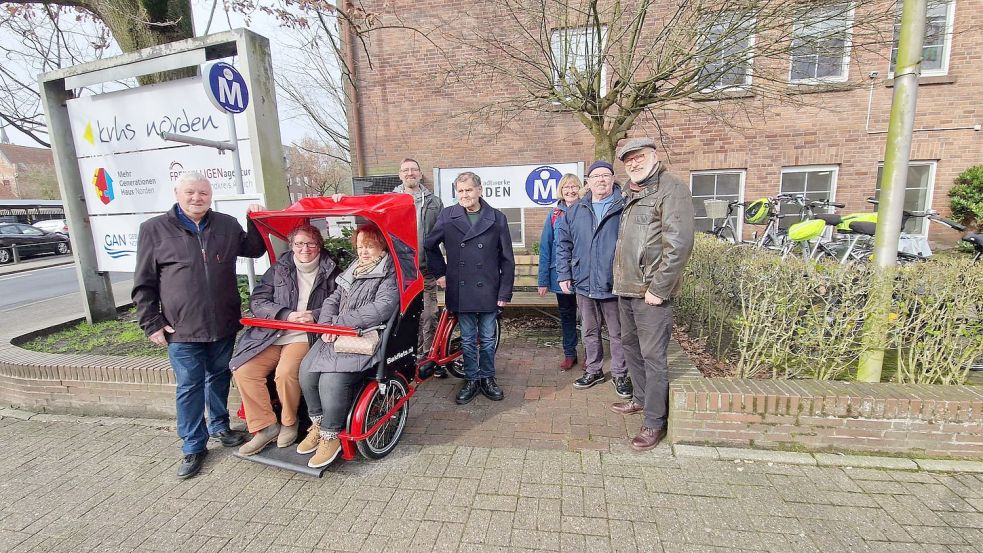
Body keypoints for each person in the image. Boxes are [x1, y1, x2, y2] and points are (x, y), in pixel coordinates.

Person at [132, 172, 267, 478]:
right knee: (190, 385)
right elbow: (144, 283)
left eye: (203, 193)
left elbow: (255, 249)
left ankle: (220, 427)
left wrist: (254, 220)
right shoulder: (154, 230)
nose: (197, 198)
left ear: (211, 195)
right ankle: (193, 446)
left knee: (218, 377)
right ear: (177, 193)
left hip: (222, 322)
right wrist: (152, 323)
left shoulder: (226, 225)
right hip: (181, 328)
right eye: (190, 192)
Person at [608, 138, 695, 451]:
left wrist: (659, 288)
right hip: (626, 288)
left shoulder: (671, 189)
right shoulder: (631, 193)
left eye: (639, 156)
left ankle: (655, 421)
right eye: (628, 159)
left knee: (654, 356)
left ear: (653, 156)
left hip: (650, 292)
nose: (633, 163)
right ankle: (641, 399)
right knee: (630, 346)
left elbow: (680, 244)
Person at [229, 224, 340, 456]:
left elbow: (339, 303)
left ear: (319, 246)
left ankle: (289, 422)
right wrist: (285, 314)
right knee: (244, 370)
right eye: (299, 243)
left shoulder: (332, 271)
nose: (305, 249)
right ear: (291, 246)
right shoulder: (279, 269)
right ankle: (265, 427)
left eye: (311, 243)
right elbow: (257, 301)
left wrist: (314, 315)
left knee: (286, 373)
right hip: (274, 332)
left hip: (305, 334)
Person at [296, 224, 399, 468]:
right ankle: (319, 425)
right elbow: (334, 298)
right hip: (337, 332)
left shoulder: (389, 273)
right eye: (360, 246)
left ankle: (332, 436)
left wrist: (340, 323)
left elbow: (382, 307)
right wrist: (326, 325)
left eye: (370, 246)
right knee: (307, 371)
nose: (363, 252)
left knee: (331, 380)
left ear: (382, 246)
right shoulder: (355, 268)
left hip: (364, 335)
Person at [425, 171, 515, 405]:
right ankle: (472, 379)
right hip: (460, 288)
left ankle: (487, 378)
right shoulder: (448, 215)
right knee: (467, 339)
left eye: (468, 190)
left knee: (486, 338)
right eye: (460, 191)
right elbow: (430, 246)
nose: (464, 195)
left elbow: (507, 258)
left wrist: (505, 292)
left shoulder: (497, 218)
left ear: (479, 190)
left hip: (488, 288)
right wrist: (441, 273)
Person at [556, 161, 631, 399]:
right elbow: (563, 244)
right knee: (589, 329)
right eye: (595, 176)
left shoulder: (625, 207)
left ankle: (620, 374)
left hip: (614, 282)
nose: (600, 180)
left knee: (618, 332)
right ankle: (594, 370)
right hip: (584, 281)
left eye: (605, 175)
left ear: (612, 179)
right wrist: (564, 273)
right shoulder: (575, 210)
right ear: (587, 182)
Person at [392, 158, 445, 367]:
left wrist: (444, 270)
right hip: (400, 271)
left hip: (426, 270)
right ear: (400, 175)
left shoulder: (434, 202)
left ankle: (427, 359)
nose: (410, 173)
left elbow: (445, 235)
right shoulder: (390, 200)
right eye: (405, 170)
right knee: (403, 317)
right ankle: (409, 356)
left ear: (420, 174)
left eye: (413, 169)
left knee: (429, 315)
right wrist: (338, 199)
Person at [537, 174, 581, 371]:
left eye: (574, 187)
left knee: (590, 318)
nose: (570, 191)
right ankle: (570, 353)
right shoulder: (554, 214)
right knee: (567, 315)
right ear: (560, 191)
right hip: (560, 276)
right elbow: (546, 247)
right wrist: (543, 280)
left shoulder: (587, 209)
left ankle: (592, 355)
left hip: (585, 274)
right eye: (566, 188)